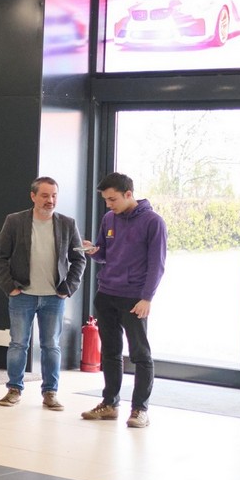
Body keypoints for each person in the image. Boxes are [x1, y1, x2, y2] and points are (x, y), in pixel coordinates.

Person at [0, 176, 87, 410]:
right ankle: (14, 389)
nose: (50, 200)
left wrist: (68, 288)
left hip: (54, 297)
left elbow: (79, 259)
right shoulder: (15, 221)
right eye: (44, 195)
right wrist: (10, 287)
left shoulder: (67, 223)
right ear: (33, 196)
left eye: (54, 195)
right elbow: (0, 257)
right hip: (22, 295)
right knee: (18, 344)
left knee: (51, 345)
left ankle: (50, 392)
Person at [83, 172, 167, 428]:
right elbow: (104, 254)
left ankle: (140, 409)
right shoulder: (109, 218)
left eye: (113, 199)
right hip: (106, 294)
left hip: (134, 298)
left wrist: (147, 298)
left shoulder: (153, 222)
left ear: (128, 194)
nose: (109, 205)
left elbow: (157, 264)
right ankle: (109, 404)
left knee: (140, 354)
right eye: (106, 200)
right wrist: (93, 251)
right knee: (110, 352)